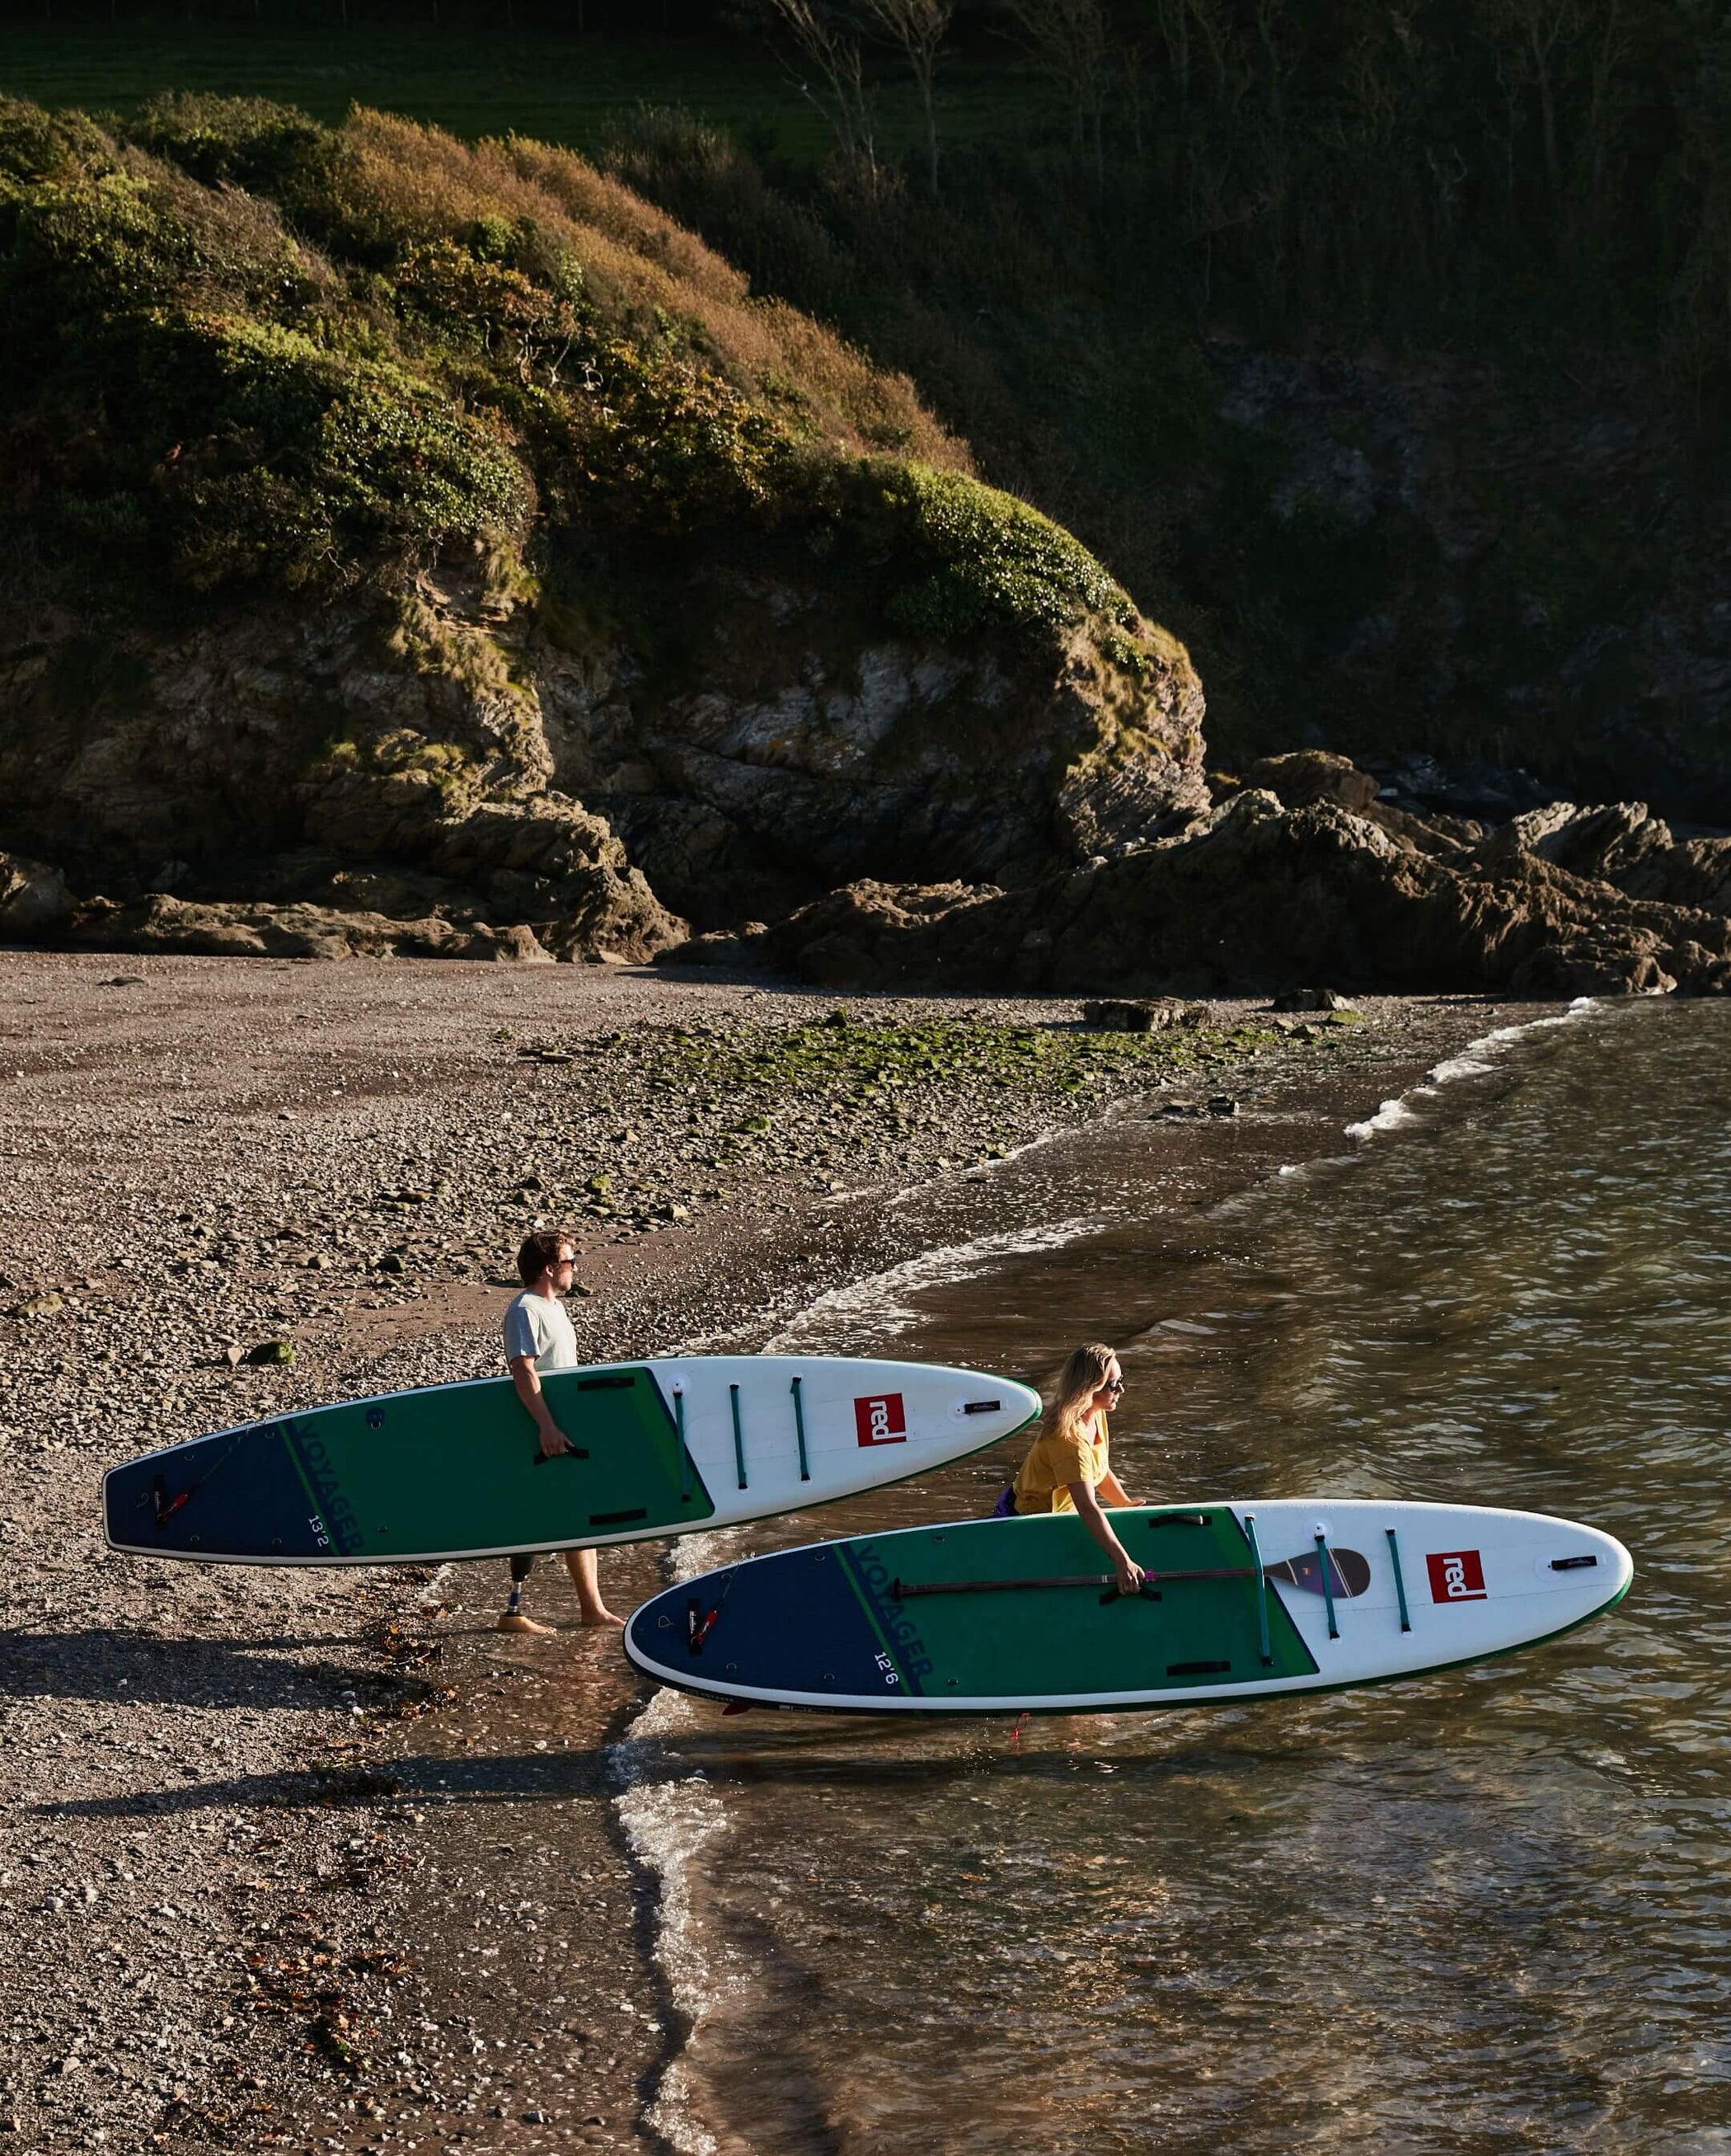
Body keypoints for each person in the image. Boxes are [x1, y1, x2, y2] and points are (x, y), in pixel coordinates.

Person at [496, 1229, 622, 1633]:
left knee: (576, 1515)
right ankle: (515, 1612)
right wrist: (546, 1426)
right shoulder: (525, 1310)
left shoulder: (555, 1309)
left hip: (560, 1429)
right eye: (571, 1262)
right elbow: (523, 1370)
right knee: (541, 1516)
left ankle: (590, 1608)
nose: (575, 1269)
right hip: (539, 1429)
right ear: (550, 1268)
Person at [997, 1342, 1144, 1598]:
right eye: (1113, 1385)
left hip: (1067, 1515)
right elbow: (1087, 1507)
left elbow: (1099, 1469)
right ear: (1090, 1388)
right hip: (1034, 1522)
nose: (1120, 1390)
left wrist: (1125, 1505)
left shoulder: (1097, 1413)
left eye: (1122, 1380)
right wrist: (1123, 1562)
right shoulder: (1068, 1439)